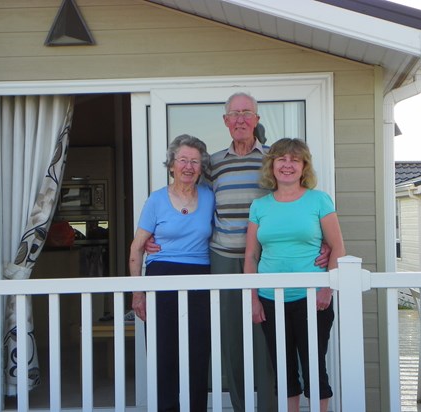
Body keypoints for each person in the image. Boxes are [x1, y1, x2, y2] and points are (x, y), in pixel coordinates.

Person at [146, 92, 330, 411]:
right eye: (235, 114)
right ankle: (242, 405)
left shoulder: (274, 160)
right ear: (226, 121)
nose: (241, 119)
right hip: (222, 258)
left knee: (268, 339)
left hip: (266, 261)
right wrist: (156, 234)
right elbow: (187, 196)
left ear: (257, 120)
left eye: (247, 113)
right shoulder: (213, 164)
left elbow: (300, 202)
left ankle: (271, 406)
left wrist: (324, 242)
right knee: (232, 339)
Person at [244, 138, 345, 412]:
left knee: (314, 365)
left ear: (304, 167)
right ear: (272, 165)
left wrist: (327, 288)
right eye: (281, 159)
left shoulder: (319, 200)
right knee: (283, 369)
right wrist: (253, 299)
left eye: (295, 160)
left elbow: (337, 248)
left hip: (312, 298)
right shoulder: (260, 206)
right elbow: (251, 255)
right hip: (269, 299)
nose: (287, 165)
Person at [129, 134, 215, 412]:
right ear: (171, 165)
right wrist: (137, 293)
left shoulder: (210, 197)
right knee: (162, 351)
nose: (188, 166)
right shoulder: (156, 200)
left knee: (198, 352)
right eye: (183, 160)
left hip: (200, 279)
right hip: (161, 278)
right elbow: (137, 248)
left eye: (194, 161)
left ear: (201, 167)